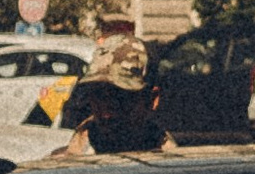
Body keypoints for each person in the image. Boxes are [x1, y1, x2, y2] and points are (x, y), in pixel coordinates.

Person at [37, 34, 171, 157]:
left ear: (152, 100)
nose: (106, 112)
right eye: (98, 95)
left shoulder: (174, 164)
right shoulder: (62, 166)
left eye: (120, 98)